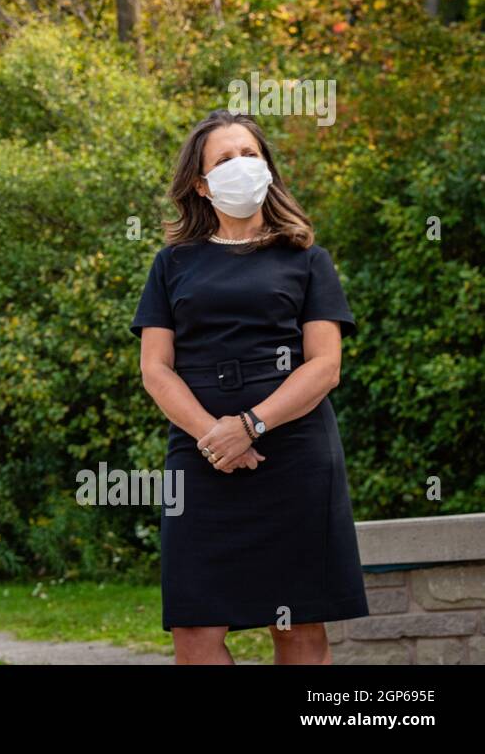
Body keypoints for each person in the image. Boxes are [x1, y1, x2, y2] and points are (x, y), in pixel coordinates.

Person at [130, 109, 368, 664]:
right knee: (194, 631)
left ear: (267, 168)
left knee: (298, 625)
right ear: (201, 182)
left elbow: (324, 366)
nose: (241, 165)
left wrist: (251, 425)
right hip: (199, 456)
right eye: (225, 158)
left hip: (294, 454)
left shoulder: (308, 260)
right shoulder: (172, 265)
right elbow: (156, 369)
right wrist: (214, 436)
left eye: (250, 155)